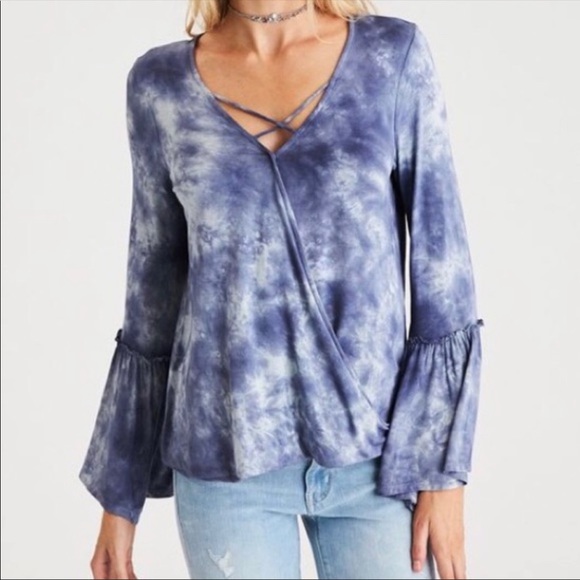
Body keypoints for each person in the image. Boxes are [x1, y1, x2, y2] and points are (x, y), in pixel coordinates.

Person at [79, 1, 485, 579]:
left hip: (377, 459)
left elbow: (443, 270)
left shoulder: (391, 57)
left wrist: (442, 473)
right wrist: (119, 496)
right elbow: (152, 291)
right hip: (225, 460)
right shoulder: (159, 85)